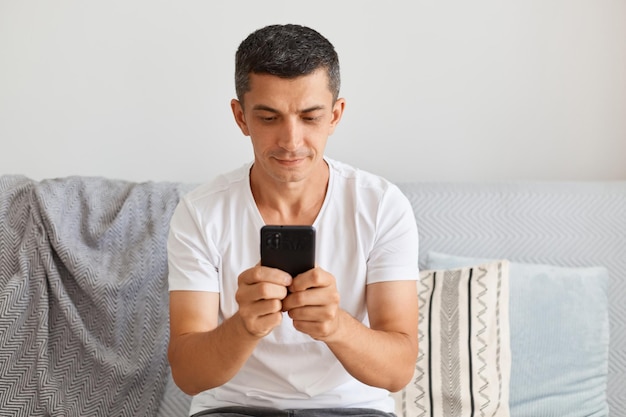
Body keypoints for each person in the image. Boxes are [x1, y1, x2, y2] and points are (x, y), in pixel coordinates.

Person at [167, 24, 419, 417]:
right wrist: (244, 326)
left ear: (335, 115)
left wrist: (336, 326)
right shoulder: (200, 212)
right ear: (241, 117)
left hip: (352, 409)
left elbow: (399, 369)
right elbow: (188, 373)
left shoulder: (382, 205)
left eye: (310, 117)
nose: (291, 140)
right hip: (235, 408)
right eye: (269, 118)